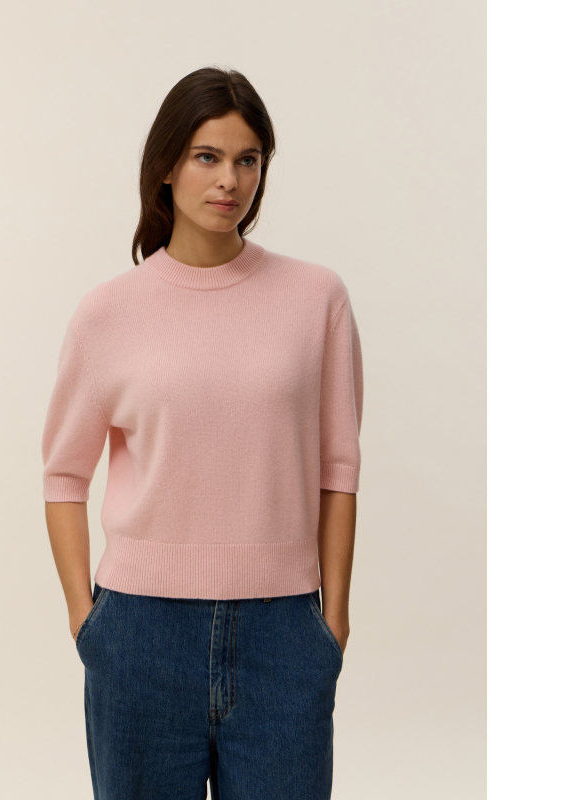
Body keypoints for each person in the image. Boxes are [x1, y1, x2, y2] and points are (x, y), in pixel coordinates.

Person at [41, 66, 363, 800]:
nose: (230, 181)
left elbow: (338, 467)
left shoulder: (317, 299)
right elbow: (63, 476)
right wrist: (86, 621)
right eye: (207, 157)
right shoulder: (108, 313)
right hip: (138, 636)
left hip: (285, 636)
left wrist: (333, 623)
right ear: (166, 167)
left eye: (248, 160)